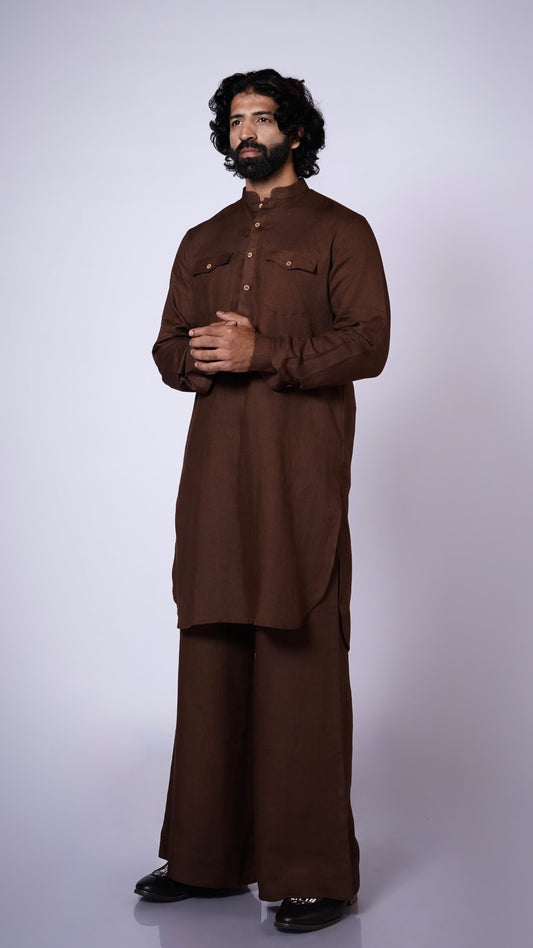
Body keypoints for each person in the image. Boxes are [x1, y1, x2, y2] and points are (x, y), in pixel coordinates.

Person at [134, 68, 390, 933]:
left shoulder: (340, 230)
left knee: (299, 662)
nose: (247, 131)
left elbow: (369, 342)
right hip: (214, 484)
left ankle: (314, 874)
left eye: (263, 117)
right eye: (236, 120)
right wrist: (198, 357)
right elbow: (166, 349)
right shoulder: (201, 238)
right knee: (209, 658)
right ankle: (204, 859)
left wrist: (265, 351)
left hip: (298, 481)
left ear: (296, 132)